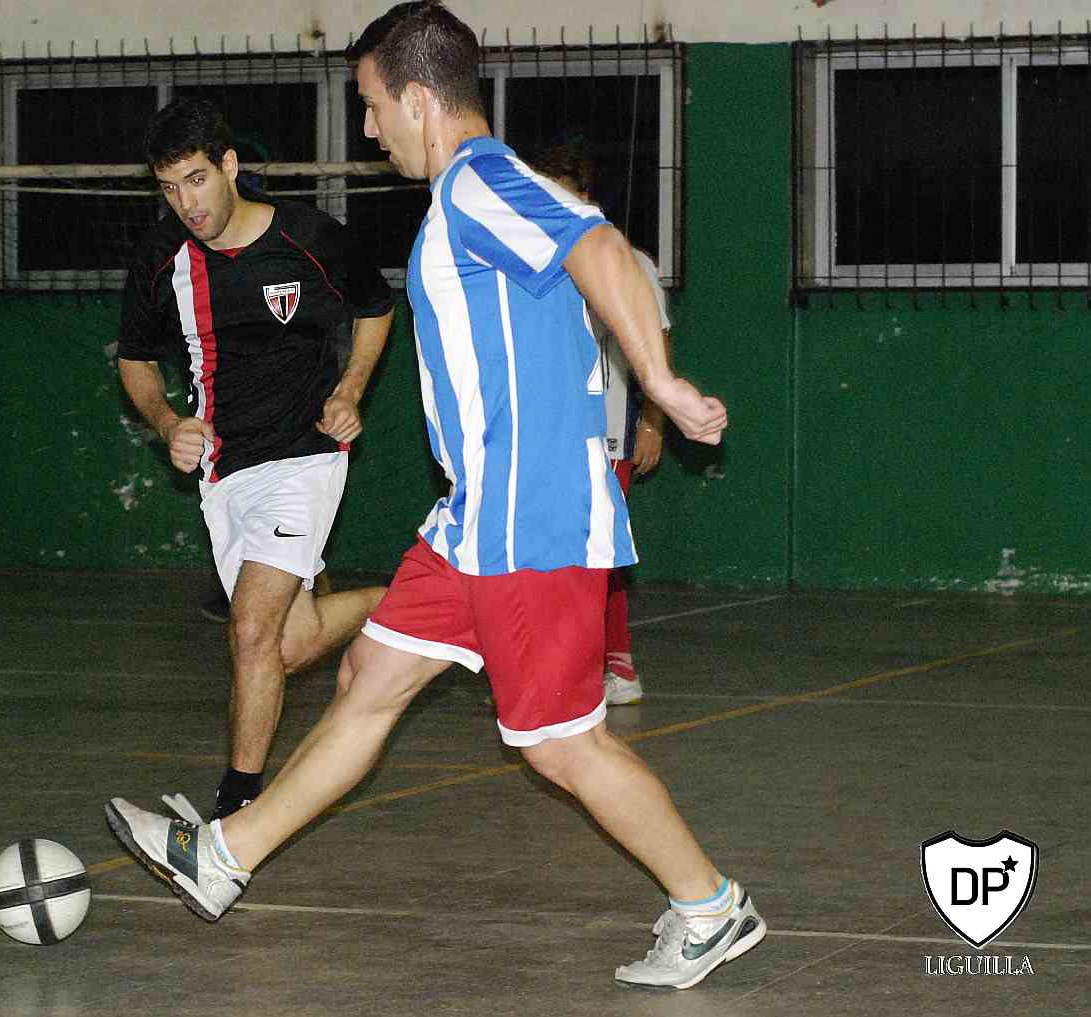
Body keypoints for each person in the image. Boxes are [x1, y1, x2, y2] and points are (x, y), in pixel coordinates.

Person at [106, 2, 765, 991]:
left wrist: (660, 383)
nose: (370, 130)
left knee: (561, 745)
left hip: (528, 513)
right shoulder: (470, 194)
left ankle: (708, 905)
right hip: (474, 517)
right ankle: (224, 857)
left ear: (417, 97)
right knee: (370, 674)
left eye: (373, 106)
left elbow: (595, 248)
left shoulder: (478, 182)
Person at [115, 96, 396, 821]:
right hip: (225, 473)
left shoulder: (309, 237)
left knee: (249, 629)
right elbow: (135, 359)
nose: (187, 203)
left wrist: (350, 389)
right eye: (169, 188)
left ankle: (233, 814)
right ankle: (414, 601)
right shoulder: (161, 258)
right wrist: (166, 421)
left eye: (197, 180)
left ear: (230, 166)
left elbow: (376, 305)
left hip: (305, 457)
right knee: (288, 643)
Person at [528, 141, 673, 707]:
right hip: (540, 437)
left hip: (605, 435)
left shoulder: (626, 261)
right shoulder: (528, 262)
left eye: (561, 194)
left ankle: (607, 668)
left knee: (594, 554)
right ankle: (549, 667)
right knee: (542, 553)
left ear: (586, 197)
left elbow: (658, 344)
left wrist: (653, 422)